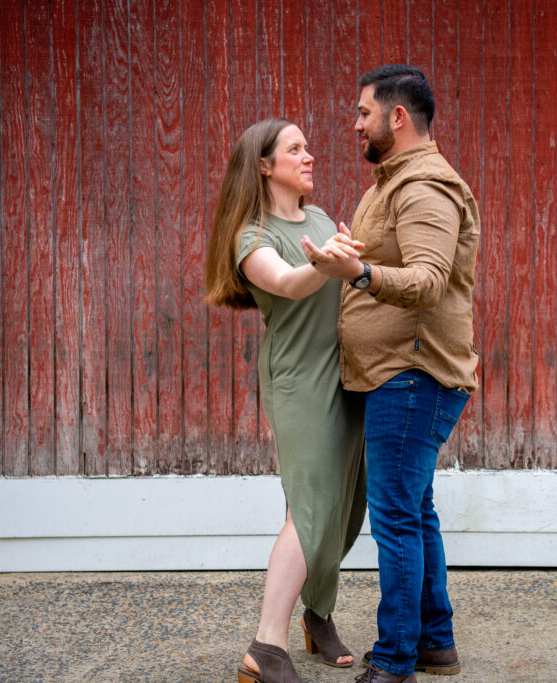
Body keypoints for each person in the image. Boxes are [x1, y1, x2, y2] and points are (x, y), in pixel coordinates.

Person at [302, 65, 480, 683]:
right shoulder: (391, 183)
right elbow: (396, 259)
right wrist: (360, 255)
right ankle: (435, 643)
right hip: (396, 374)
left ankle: (396, 659)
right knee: (415, 509)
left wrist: (356, 274)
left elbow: (428, 282)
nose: (354, 125)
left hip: (412, 373)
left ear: (396, 117)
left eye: (362, 113)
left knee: (397, 517)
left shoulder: (423, 186)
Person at [205, 118, 367, 683]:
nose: (309, 155)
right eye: (294, 148)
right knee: (311, 507)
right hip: (300, 380)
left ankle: (317, 615)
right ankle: (265, 646)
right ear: (265, 166)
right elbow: (290, 282)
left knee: (347, 510)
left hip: (348, 377)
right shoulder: (250, 235)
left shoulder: (320, 219)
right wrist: (325, 263)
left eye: (308, 146)